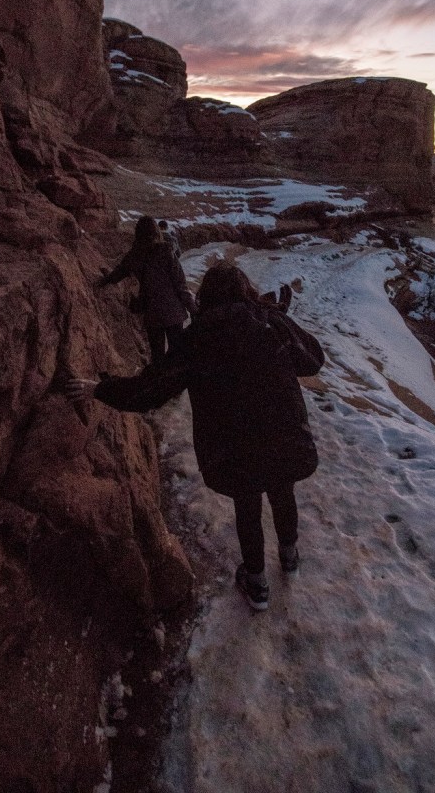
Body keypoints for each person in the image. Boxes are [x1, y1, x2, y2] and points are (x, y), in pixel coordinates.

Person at [68, 262, 324, 612]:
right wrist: (276, 315)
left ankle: (258, 583)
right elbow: (313, 359)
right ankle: (290, 555)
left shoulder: (199, 337)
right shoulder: (268, 322)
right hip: (284, 435)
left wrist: (101, 389)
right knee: (282, 489)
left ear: (205, 296)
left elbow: (152, 389)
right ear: (245, 289)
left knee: (248, 504)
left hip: (235, 448)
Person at [97, 215, 195, 364]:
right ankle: (171, 385)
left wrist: (104, 280)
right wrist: (194, 309)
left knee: (157, 358)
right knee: (177, 356)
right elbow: (180, 285)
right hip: (173, 311)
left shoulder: (134, 256)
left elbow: (118, 273)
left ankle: (158, 384)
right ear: (156, 232)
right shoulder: (166, 252)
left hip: (152, 313)